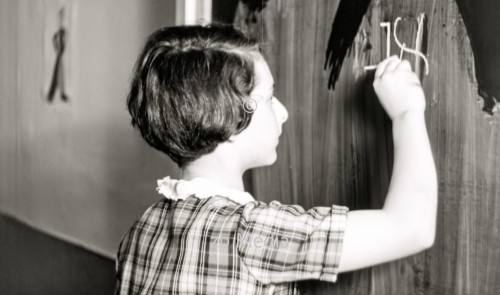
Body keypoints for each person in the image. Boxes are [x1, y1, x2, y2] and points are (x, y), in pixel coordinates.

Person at [115, 24, 437, 294]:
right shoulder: (252, 234)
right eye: (269, 97)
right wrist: (407, 112)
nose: (282, 113)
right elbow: (413, 228)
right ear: (227, 114)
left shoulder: (143, 228)